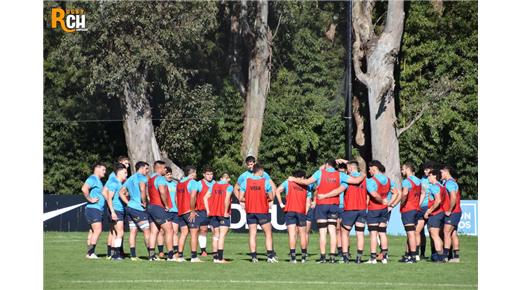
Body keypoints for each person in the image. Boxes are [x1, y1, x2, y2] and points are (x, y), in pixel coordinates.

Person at [290, 159, 365, 263]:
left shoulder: (320, 173)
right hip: (334, 205)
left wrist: (293, 179)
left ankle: (323, 257)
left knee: (322, 232)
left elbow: (307, 182)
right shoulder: (340, 175)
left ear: (326, 165)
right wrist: (363, 174)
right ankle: (333, 257)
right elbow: (356, 181)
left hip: (322, 205)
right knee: (333, 231)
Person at [239, 163, 278, 263]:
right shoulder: (265, 182)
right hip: (262, 210)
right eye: (263, 172)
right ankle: (270, 256)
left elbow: (240, 197)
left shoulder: (246, 182)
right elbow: (271, 197)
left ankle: (254, 257)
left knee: (252, 234)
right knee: (268, 233)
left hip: (250, 210)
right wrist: (264, 197)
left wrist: (249, 199)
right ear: (260, 171)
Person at [364, 160, 399, 264]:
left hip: (374, 209)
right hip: (384, 210)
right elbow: (396, 193)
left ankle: (373, 258)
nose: (369, 171)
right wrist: (389, 203)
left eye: (370, 169)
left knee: (373, 234)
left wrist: (382, 200)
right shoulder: (388, 180)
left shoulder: (371, 181)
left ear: (374, 169)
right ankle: (384, 257)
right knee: (382, 233)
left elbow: (374, 195)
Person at [275, 170, 312, 263]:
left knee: (292, 234)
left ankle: (293, 258)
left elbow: (277, 191)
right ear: (303, 177)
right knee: (303, 234)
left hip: (290, 210)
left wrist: (281, 204)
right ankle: (303, 257)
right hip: (301, 212)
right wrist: (305, 212)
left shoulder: (288, 182)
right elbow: (308, 202)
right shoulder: (307, 186)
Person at [119, 161, 152, 261]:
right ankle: (152, 255)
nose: (147, 171)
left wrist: (127, 203)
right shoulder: (142, 177)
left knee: (133, 231)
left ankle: (133, 256)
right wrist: (144, 202)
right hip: (138, 208)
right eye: (146, 168)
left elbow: (121, 192)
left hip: (130, 208)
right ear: (141, 168)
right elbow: (142, 189)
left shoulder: (130, 178)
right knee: (147, 230)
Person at [336, 159, 367, 264]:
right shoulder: (364, 177)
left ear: (350, 168)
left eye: (347, 168)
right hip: (362, 209)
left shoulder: (346, 178)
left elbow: (339, 190)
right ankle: (359, 257)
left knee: (344, 233)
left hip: (350, 209)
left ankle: (345, 257)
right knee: (360, 234)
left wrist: (325, 195)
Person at [147, 160, 175, 261]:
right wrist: (166, 205)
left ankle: (151, 256)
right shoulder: (160, 179)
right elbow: (162, 192)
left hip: (151, 207)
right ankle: (171, 256)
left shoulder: (150, 179)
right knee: (169, 230)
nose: (165, 170)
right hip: (159, 207)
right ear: (159, 168)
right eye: (164, 168)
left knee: (154, 231)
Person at [204, 173, 233, 263]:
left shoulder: (214, 185)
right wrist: (225, 212)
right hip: (222, 214)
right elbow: (227, 199)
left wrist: (208, 210)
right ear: (228, 179)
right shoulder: (229, 186)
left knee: (215, 236)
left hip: (213, 213)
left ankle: (215, 258)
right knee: (222, 236)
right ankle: (220, 258)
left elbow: (205, 197)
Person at [105, 156, 130, 259]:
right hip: (116, 210)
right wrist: (113, 212)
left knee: (116, 233)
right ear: (119, 172)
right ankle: (116, 255)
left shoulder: (120, 183)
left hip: (119, 210)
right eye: (125, 172)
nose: (126, 174)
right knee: (120, 232)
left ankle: (115, 254)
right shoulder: (114, 182)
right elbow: (109, 198)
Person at [176, 165, 202, 262]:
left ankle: (180, 256)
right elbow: (193, 197)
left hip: (181, 211)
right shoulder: (193, 182)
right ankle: (194, 257)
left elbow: (176, 198)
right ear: (192, 172)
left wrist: (179, 208)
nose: (196, 174)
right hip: (188, 211)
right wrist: (192, 210)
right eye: (195, 172)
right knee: (194, 233)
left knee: (183, 234)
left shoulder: (179, 183)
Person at [82, 163, 107, 259]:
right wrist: (90, 199)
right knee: (98, 230)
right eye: (103, 169)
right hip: (94, 209)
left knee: (92, 231)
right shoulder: (92, 178)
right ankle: (90, 253)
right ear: (97, 169)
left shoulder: (98, 181)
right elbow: (84, 188)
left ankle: (89, 253)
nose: (105, 172)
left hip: (95, 209)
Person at [399, 162, 421, 263]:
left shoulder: (406, 181)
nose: (402, 171)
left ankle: (413, 256)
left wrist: (401, 203)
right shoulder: (418, 181)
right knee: (411, 233)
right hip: (416, 209)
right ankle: (409, 255)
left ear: (408, 169)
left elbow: (405, 193)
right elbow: (423, 193)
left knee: (410, 234)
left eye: (403, 169)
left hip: (408, 209)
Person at [424, 169, 448, 262]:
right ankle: (442, 256)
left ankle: (440, 257)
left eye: (430, 176)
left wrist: (429, 211)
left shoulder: (434, 186)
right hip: (440, 213)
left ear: (435, 176)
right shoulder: (441, 186)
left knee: (434, 235)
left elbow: (438, 200)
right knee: (436, 235)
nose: (428, 178)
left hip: (435, 214)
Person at [441, 165, 462, 263]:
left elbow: (453, 197)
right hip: (456, 212)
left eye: (441, 172)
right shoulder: (451, 182)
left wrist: (449, 209)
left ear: (446, 172)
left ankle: (445, 257)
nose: (440, 174)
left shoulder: (449, 183)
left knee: (446, 233)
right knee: (453, 234)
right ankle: (456, 257)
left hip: (453, 212)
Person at [416, 162, 434, 260]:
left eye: (427, 169)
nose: (425, 171)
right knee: (419, 231)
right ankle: (420, 254)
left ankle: (434, 254)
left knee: (432, 232)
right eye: (424, 169)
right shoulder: (420, 180)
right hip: (421, 208)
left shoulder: (434, 180)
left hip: (431, 208)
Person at [195, 167, 215, 257]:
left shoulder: (215, 184)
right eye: (208, 174)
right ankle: (203, 250)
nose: (210, 176)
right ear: (204, 175)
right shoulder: (199, 184)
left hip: (214, 211)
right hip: (202, 210)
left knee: (216, 231)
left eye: (211, 174)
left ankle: (216, 250)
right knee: (203, 230)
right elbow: (193, 196)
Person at [165, 167, 180, 261]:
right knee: (166, 232)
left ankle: (176, 252)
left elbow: (177, 198)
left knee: (175, 232)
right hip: (166, 211)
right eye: (167, 174)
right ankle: (166, 252)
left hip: (175, 210)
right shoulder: (162, 183)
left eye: (170, 174)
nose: (169, 176)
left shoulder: (175, 184)